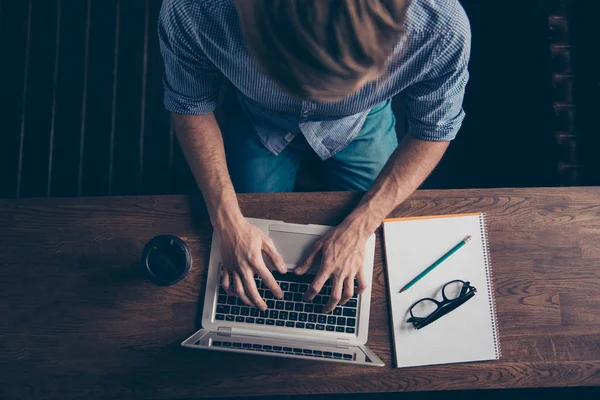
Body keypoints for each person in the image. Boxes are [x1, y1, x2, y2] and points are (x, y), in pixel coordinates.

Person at [158, 0, 471, 313]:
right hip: (259, 119)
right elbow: (190, 105)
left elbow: (433, 129)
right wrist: (226, 221)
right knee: (246, 227)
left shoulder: (440, 24)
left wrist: (363, 225)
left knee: (382, 241)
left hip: (360, 123)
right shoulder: (195, 8)